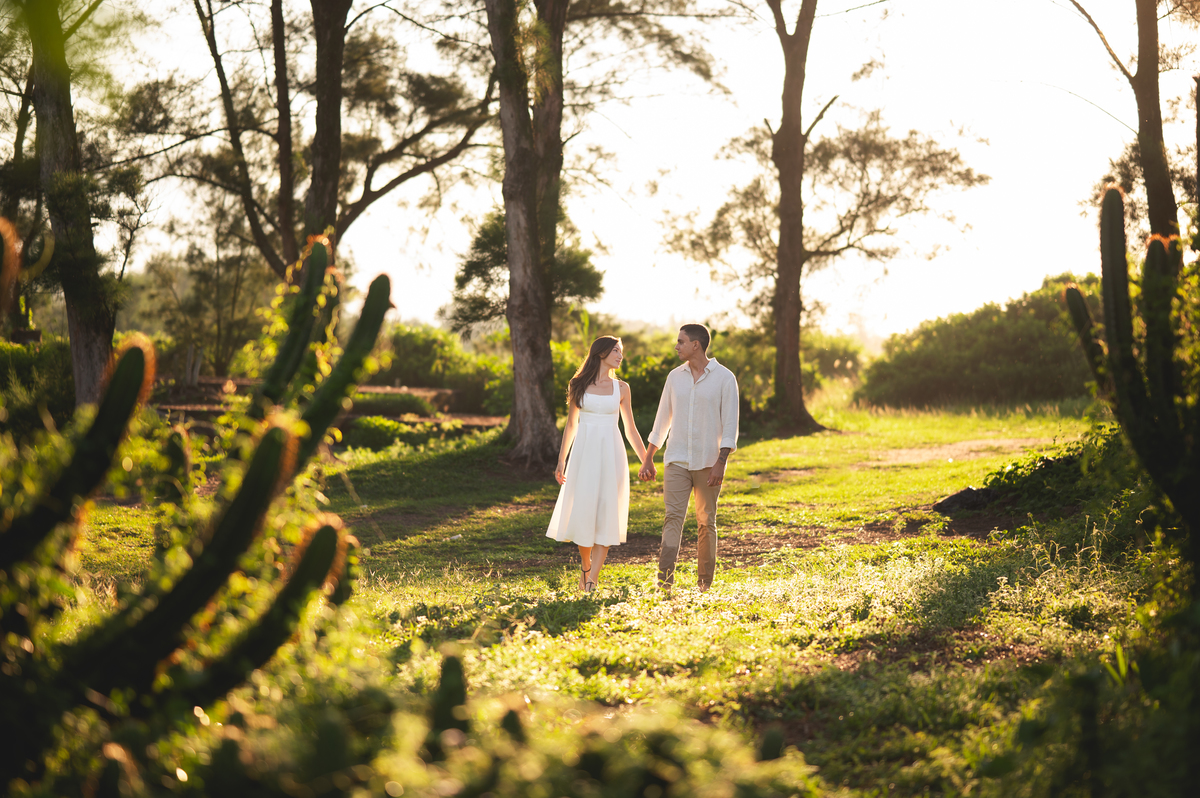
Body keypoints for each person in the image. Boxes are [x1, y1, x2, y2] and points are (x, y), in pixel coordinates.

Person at [638, 324, 739, 592]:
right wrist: (648, 457)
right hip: (677, 460)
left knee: (706, 521)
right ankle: (665, 584)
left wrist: (721, 462)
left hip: (709, 463)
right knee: (673, 518)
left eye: (681, 341)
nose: (676, 346)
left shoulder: (725, 378)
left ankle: (704, 584)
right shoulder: (674, 377)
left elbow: (730, 426)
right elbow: (662, 420)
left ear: (696, 345)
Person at [547, 335, 649, 592]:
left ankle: (592, 579)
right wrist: (561, 460)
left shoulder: (622, 388)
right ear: (601, 353)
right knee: (583, 511)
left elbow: (631, 429)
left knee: (607, 513)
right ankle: (585, 566)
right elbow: (571, 424)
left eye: (621, 351)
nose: (620, 355)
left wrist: (646, 460)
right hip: (583, 455)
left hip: (612, 455)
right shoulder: (578, 384)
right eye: (616, 350)